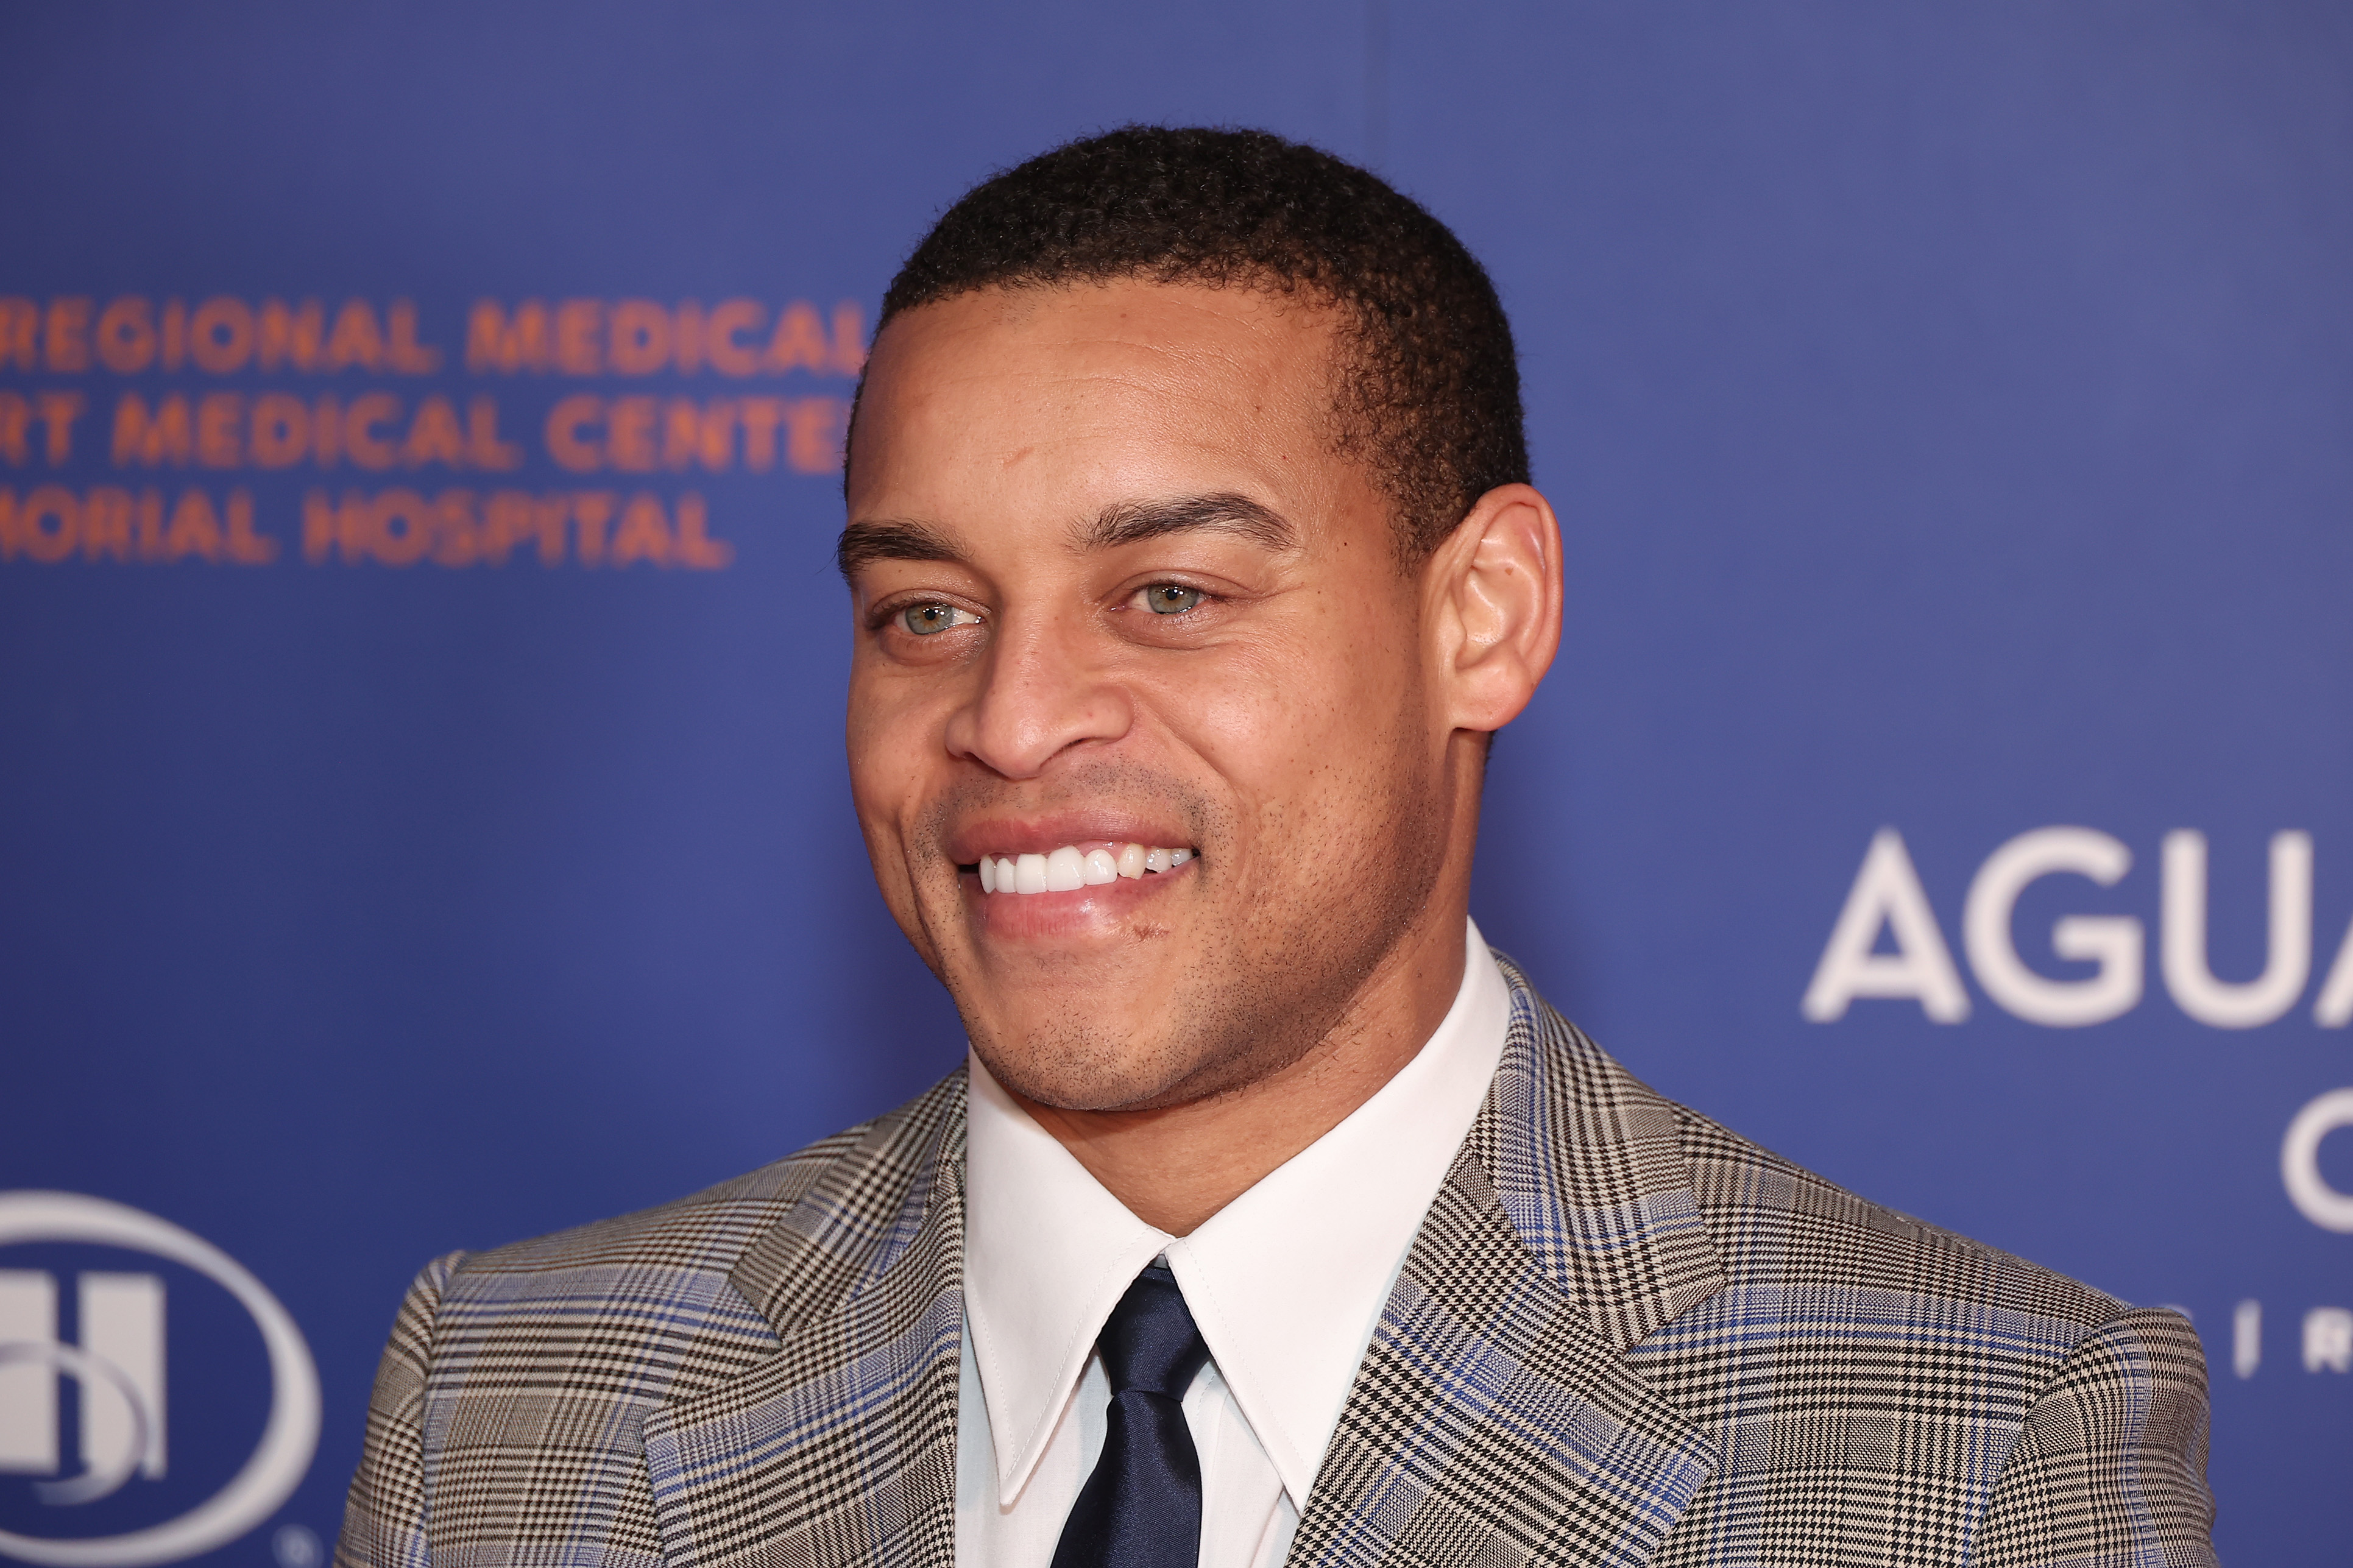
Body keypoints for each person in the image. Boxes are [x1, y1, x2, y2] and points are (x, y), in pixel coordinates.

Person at [335, 127, 2215, 1568]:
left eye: (1166, 591)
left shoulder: (1969, 1454)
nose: (1005, 719)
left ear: (1482, 614)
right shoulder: (504, 1409)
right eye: (925, 612)